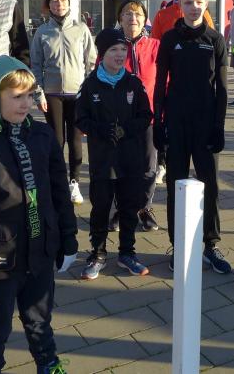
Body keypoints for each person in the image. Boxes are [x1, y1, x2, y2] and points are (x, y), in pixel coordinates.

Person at [0, 56, 78, 374]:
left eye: (30, 95)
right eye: (17, 96)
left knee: (40, 319)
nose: (26, 104)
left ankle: (48, 363)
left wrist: (68, 239)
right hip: (0, 260)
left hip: (40, 252)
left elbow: (60, 194)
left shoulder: (43, 136)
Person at [153, 0, 230, 273]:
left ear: (206, 4)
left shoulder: (215, 40)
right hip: (176, 122)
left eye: (199, 2)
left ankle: (211, 244)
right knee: (176, 184)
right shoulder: (170, 39)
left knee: (210, 184)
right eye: (188, 2)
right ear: (179, 5)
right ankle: (179, 243)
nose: (194, 7)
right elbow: (160, 84)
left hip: (206, 124)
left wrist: (219, 126)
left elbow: (222, 89)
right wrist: (158, 122)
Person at [76, 28, 153, 279]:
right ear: (102, 53)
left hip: (130, 158)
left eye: (123, 49)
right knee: (101, 208)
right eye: (113, 50)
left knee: (129, 206)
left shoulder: (133, 83)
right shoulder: (90, 84)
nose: (120, 55)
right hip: (103, 160)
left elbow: (146, 115)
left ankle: (127, 253)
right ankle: (97, 254)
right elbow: (80, 118)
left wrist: (127, 129)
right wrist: (101, 130)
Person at [30, 0, 96, 205]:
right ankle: (57, 180)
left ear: (69, 3)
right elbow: (35, 65)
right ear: (48, 5)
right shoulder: (42, 32)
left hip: (77, 93)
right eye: (54, 0)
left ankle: (74, 182)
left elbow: (91, 62)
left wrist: (88, 91)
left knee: (75, 139)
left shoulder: (81, 29)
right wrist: (38, 93)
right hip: (52, 93)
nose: (59, 4)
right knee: (57, 140)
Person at [108, 0, 162, 232]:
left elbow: (166, 81)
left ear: (144, 19)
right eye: (127, 14)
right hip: (120, 118)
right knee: (120, 166)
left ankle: (144, 208)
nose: (133, 18)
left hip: (149, 117)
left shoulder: (156, 46)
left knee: (149, 167)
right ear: (120, 19)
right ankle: (121, 209)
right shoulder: (112, 47)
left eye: (138, 14)